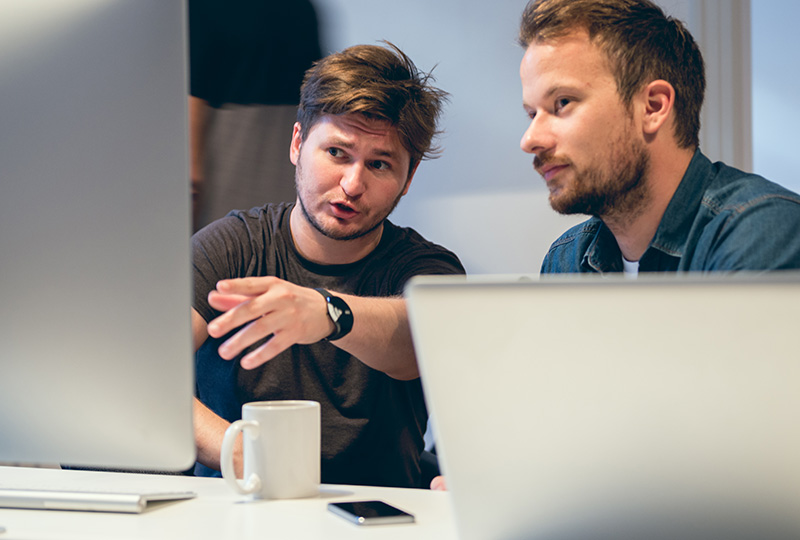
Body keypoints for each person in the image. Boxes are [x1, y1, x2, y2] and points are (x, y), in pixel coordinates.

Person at [191, 42, 465, 489]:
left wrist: (327, 312)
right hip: (236, 505)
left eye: (379, 164)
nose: (353, 184)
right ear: (298, 143)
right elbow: (145, 375)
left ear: (408, 179)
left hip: (384, 515)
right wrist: (236, 448)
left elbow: (420, 339)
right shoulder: (232, 247)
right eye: (337, 153)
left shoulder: (427, 268)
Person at [519, 0, 800, 276]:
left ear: (653, 107)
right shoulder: (566, 260)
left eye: (563, 102)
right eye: (532, 114)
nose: (530, 140)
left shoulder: (760, 234)